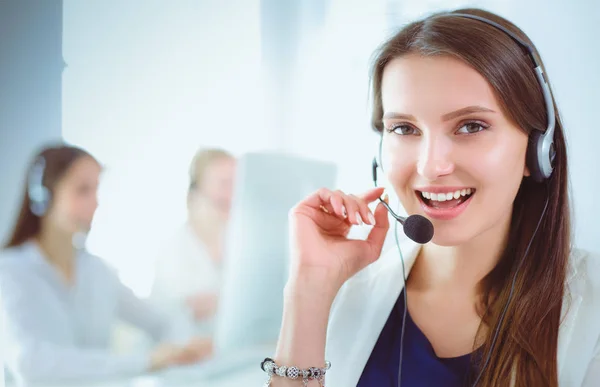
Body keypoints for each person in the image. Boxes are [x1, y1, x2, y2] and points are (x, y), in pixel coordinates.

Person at [267, 8, 600, 387]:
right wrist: (309, 287)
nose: (431, 166)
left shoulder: (593, 305)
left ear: (537, 151)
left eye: (471, 126)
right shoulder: (348, 294)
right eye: (404, 128)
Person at [0, 144, 212, 385]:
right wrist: (147, 360)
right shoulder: (10, 272)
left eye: (96, 190)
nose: (95, 203)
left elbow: (161, 320)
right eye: (82, 190)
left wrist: (183, 348)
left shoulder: (96, 271)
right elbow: (33, 364)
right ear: (43, 196)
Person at [150, 148, 236, 335]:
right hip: (176, 353)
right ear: (197, 190)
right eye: (224, 183)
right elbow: (179, 312)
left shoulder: (238, 244)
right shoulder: (173, 249)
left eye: (237, 183)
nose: (233, 193)